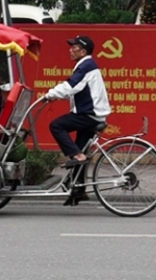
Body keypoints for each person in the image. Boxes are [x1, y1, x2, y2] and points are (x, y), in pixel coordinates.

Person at [41, 35, 111, 205]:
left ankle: (77, 156)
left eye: (75, 47)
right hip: (91, 113)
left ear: (84, 51)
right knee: (80, 148)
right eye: (71, 46)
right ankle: (79, 190)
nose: (71, 50)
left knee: (56, 126)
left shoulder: (86, 66)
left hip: (90, 115)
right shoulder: (86, 65)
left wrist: (50, 94)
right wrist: (56, 96)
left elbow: (71, 86)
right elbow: (76, 90)